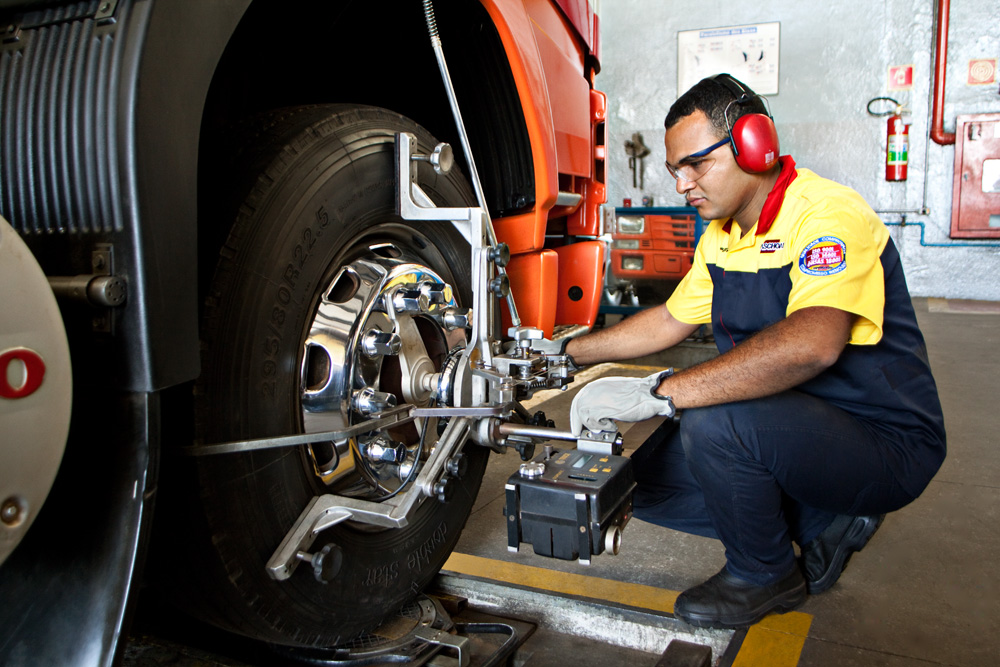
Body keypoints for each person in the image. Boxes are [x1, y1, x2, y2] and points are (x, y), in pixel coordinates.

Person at [562, 73, 946, 629]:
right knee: (626, 480)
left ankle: (765, 574)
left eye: (696, 163)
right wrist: (570, 352)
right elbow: (671, 318)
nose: (682, 185)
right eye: (675, 170)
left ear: (754, 142)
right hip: (795, 428)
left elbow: (813, 345)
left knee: (715, 420)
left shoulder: (826, 215)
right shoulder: (721, 233)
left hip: (882, 440)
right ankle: (823, 521)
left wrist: (662, 392)